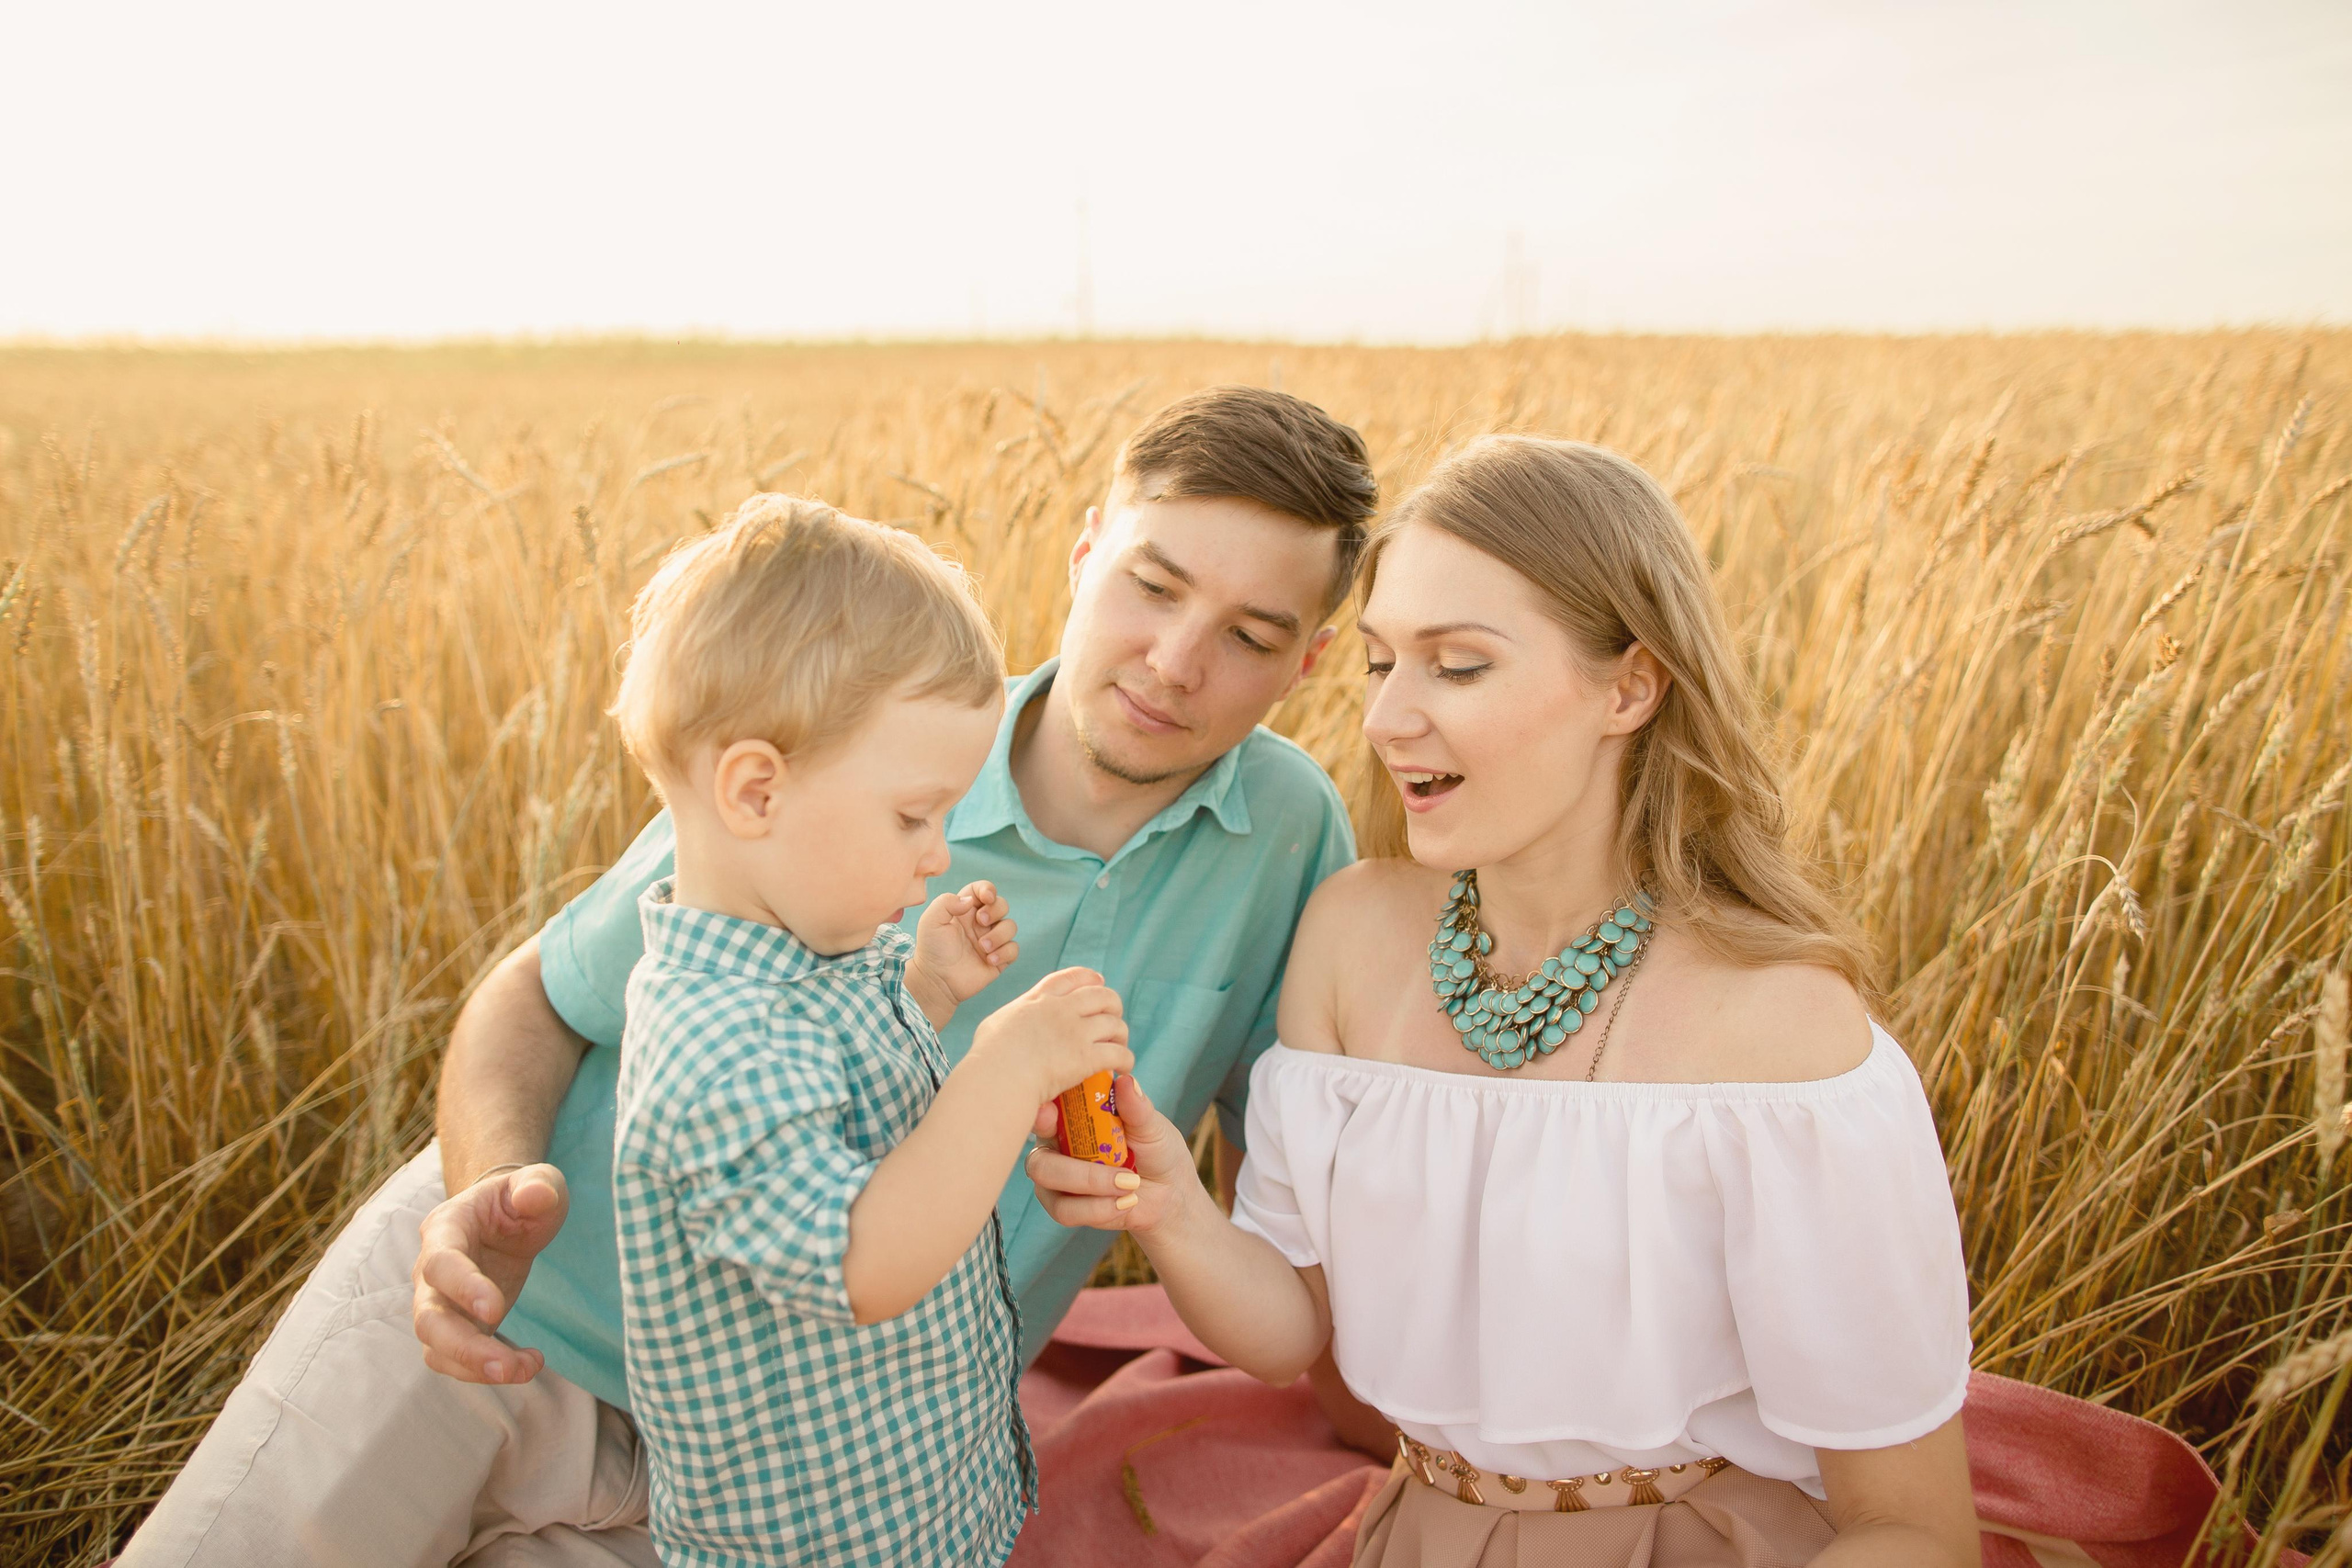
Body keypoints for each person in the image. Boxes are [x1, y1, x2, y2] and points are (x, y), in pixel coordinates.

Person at [119, 387, 1378, 1568]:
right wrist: (492, 1195)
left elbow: (1285, 1216)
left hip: (793, 1478)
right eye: (1150, 587)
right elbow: (541, 994)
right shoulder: (866, 738)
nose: (1173, 658)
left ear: (1309, 662)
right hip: (509, 1330)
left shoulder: (1288, 838)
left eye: (1249, 635)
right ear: (1085, 549)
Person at [1028, 436, 1982, 1567]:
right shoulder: (1350, 936)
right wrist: (1168, 1203)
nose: (1384, 722)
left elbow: (1914, 1532)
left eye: (1459, 666)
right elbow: (1290, 1331)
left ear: (1629, 687)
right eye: (1381, 664)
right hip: (1415, 1534)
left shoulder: (1784, 1036)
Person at [604, 497, 1135, 1566]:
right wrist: (1010, 1062)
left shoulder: (820, 955)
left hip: (916, 1502)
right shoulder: (712, 1043)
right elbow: (863, 1260)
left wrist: (933, 989)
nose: (937, 853)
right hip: (818, 1542)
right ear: (757, 790)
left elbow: (846, 1104)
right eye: (911, 816)